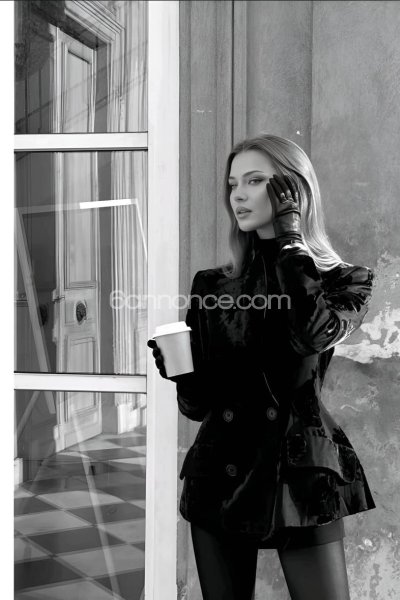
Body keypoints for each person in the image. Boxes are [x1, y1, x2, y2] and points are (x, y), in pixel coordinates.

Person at [148, 134, 376, 600]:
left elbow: (311, 333)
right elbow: (198, 407)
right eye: (233, 183)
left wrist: (292, 241)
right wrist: (182, 373)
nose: (238, 195)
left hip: (300, 473)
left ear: (293, 190)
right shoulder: (213, 284)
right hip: (220, 472)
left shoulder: (344, 280)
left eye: (255, 181)